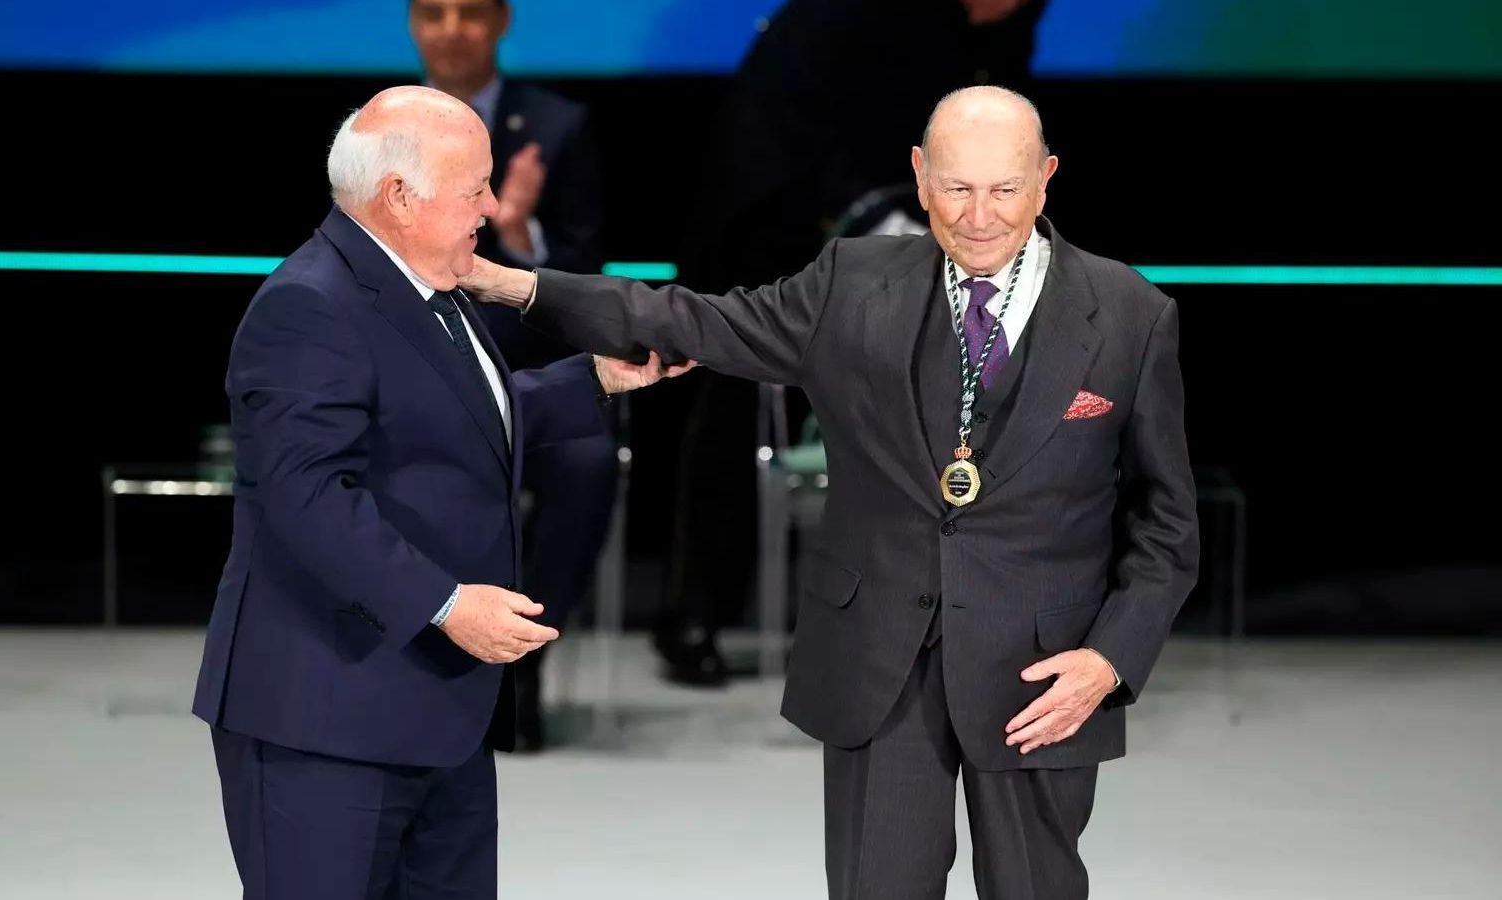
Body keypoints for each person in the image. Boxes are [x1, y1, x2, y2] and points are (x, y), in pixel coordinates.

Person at [461, 86, 1199, 899]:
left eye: (1005, 189)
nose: (980, 215)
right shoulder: (852, 280)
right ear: (919, 177)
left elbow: (1166, 524)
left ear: (1046, 179)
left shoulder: (1130, 315)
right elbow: (690, 317)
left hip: (1046, 677)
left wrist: (1108, 660)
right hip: (880, 664)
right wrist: (510, 284)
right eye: (956, 188)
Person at [190, 86, 687, 899]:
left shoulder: (432, 289)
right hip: (328, 718)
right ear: (398, 196)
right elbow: (306, 496)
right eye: (473, 188)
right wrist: (448, 604)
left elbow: (456, 420)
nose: (491, 207)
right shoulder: (307, 305)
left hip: (440, 715)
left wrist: (594, 379)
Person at [656, 0, 1051, 687]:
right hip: (773, 219)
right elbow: (800, 132)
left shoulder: (1005, 28)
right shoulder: (854, 17)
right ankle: (693, 612)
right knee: (738, 407)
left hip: (899, 228)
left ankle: (934, 619)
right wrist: (885, 215)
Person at [409, 0, 615, 746]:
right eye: (434, 12)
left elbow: (590, 283)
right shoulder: (376, 131)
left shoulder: (558, 127)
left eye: (471, 12)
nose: (453, 29)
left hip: (527, 373)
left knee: (589, 463)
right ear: (412, 25)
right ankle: (424, 656)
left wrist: (520, 228)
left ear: (501, 22)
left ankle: (518, 660)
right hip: (412, 375)